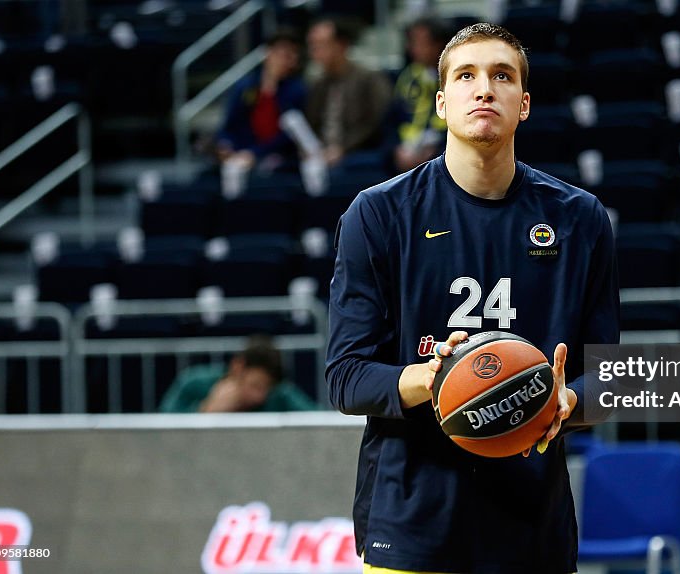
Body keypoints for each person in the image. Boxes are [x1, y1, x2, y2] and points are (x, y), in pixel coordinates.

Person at [326, 23, 619, 574]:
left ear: (524, 104)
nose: (484, 88)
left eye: (501, 76)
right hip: (412, 522)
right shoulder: (378, 215)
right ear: (442, 102)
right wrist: (435, 379)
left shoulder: (579, 220)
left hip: (533, 527)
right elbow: (345, 377)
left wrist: (568, 400)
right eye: (466, 76)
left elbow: (606, 378)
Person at [304, 16, 391, 169]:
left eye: (320, 46)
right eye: (312, 46)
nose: (314, 53)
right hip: (324, 153)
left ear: (341, 45)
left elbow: (376, 122)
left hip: (357, 151)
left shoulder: (368, 78)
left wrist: (343, 148)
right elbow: (312, 124)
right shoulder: (318, 84)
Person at [215, 29, 306, 171]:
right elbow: (229, 125)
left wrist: (255, 153)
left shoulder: (297, 90)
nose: (289, 62)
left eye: (294, 57)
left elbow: (291, 135)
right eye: (285, 55)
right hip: (243, 152)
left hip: (280, 156)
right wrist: (226, 145)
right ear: (268, 54)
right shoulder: (245, 87)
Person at [159, 335, 316, 413]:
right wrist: (205, 411)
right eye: (255, 385)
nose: (259, 397)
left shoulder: (280, 394)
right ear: (238, 367)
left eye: (266, 389)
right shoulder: (193, 383)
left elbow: (320, 420)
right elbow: (159, 428)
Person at [388, 17, 450, 174]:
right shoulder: (406, 77)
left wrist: (435, 151)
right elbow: (390, 121)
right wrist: (396, 150)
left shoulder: (456, 77)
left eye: (419, 42)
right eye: (411, 42)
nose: (412, 48)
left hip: (442, 151)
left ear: (439, 45)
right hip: (404, 151)